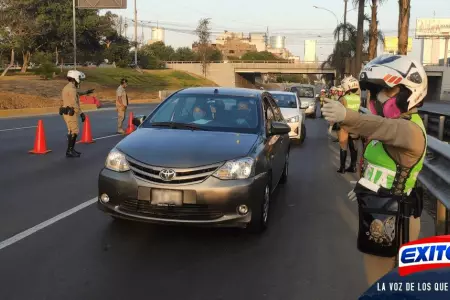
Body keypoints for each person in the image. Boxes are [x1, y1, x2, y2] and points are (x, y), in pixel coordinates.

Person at [321, 54, 428, 286]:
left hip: (395, 220)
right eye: (375, 92)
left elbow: (382, 126)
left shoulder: (409, 130)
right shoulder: (394, 128)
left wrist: (347, 117)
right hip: (381, 212)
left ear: (409, 93)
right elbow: (385, 165)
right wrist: (365, 185)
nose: (378, 98)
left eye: (387, 91)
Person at [60, 70, 92, 158]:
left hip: (67, 112)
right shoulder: (71, 89)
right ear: (75, 78)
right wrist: (81, 113)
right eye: (79, 79)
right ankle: (69, 151)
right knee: (74, 131)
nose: (80, 81)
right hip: (71, 112)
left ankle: (70, 149)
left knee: (71, 131)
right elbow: (74, 103)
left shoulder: (68, 87)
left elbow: (76, 94)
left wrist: (85, 93)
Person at [336, 76, 361, 173]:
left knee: (343, 146)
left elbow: (338, 112)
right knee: (353, 147)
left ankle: (342, 168)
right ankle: (353, 166)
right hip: (356, 124)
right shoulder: (358, 98)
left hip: (345, 124)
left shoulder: (343, 99)